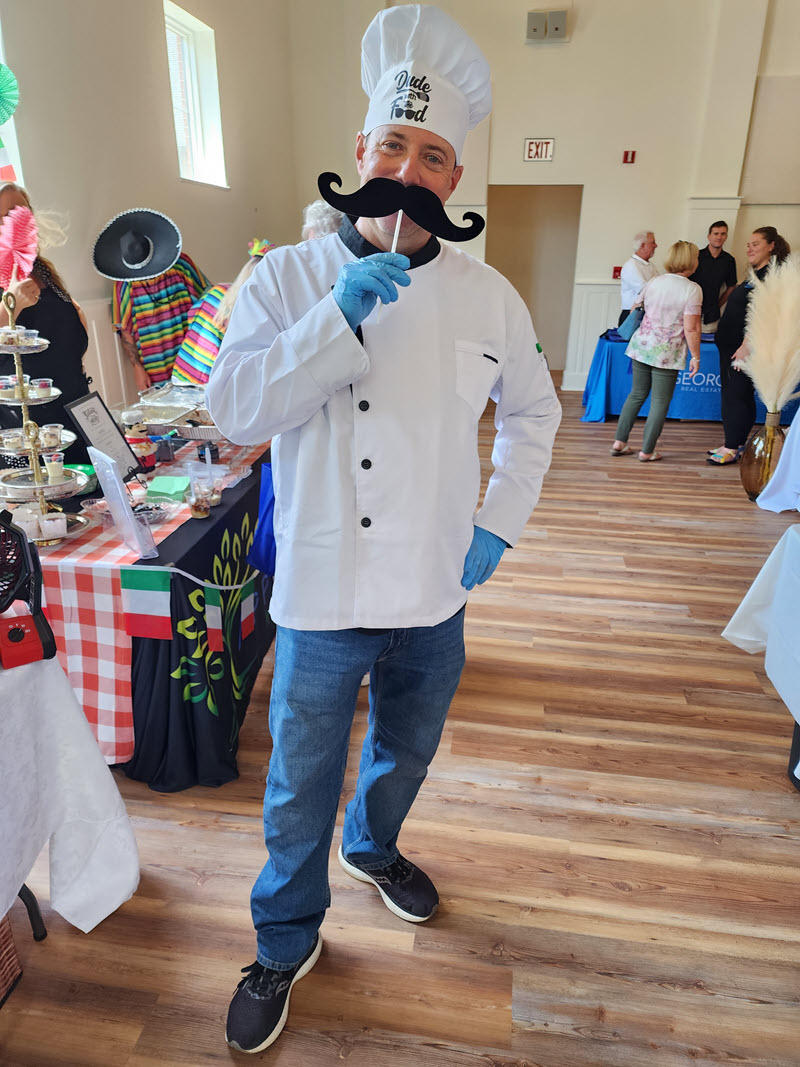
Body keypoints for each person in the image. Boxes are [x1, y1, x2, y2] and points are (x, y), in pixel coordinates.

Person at [206, 4, 561, 1053]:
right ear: (359, 153)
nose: (410, 170)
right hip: (319, 594)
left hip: (435, 591)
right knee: (295, 781)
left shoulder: (488, 295)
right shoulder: (280, 280)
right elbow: (233, 414)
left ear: (454, 180)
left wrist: (497, 521)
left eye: (435, 155)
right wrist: (335, 319)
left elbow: (536, 411)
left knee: (405, 752)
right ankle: (282, 937)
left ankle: (374, 845)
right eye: (394, 145)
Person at [0, 183, 92, 465]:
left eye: (22, 211)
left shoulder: (42, 269)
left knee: (92, 498)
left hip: (74, 412)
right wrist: (10, 305)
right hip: (27, 427)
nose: (16, 220)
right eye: (5, 216)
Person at [92, 208, 209, 391]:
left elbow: (207, 302)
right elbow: (125, 330)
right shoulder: (125, 285)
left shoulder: (181, 265)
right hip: (155, 368)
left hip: (195, 359)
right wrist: (137, 369)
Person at [611, 240, 702, 461]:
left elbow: (634, 309)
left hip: (641, 346)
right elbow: (691, 328)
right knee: (660, 402)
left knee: (636, 394)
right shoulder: (692, 289)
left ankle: (619, 442)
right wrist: (696, 356)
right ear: (690, 262)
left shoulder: (653, 282)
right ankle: (647, 451)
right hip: (666, 353)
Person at [707, 226, 791, 465]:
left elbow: (764, 316)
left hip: (744, 349)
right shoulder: (756, 273)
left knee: (736, 396)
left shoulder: (771, 276)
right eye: (748, 244)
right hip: (730, 346)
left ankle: (731, 448)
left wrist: (747, 346)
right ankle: (736, 443)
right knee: (735, 394)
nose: (749, 248)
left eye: (756, 243)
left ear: (771, 246)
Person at [171, 238, 276, 386]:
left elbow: (192, 317)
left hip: (181, 372)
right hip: (205, 384)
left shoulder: (217, 291)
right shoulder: (250, 310)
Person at [689, 220, 737, 333]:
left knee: (707, 347)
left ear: (726, 236)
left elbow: (732, 285)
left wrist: (718, 304)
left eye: (723, 234)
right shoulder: (696, 256)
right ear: (709, 236)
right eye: (716, 233)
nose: (719, 237)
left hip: (712, 314)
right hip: (691, 310)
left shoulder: (729, 260)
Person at [619, 230, 658, 325]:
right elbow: (645, 290)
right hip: (632, 315)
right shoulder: (631, 265)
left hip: (645, 313)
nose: (656, 245)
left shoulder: (650, 265)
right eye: (652, 242)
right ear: (643, 245)